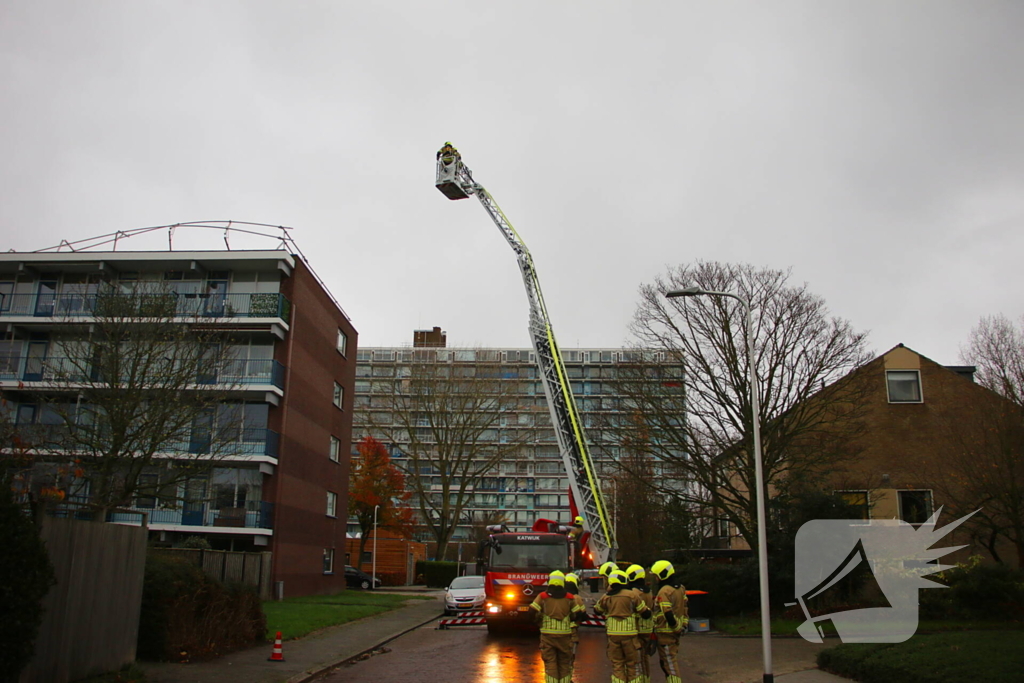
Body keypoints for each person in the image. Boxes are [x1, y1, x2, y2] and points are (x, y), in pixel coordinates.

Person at [595, 569, 650, 683]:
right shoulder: (632, 595)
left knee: (617, 664)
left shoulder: (607, 597)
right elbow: (645, 613)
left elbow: (597, 610)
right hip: (629, 634)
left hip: (613, 635)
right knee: (632, 664)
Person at [531, 570, 585, 683]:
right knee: (565, 664)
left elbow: (531, 611)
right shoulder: (570, 597)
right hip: (565, 635)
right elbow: (579, 614)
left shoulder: (543, 596)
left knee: (550, 664)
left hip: (547, 636)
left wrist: (538, 621)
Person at [650, 560, 689, 683]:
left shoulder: (664, 591)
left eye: (656, 576)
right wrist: (683, 625)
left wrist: (675, 627)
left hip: (665, 633)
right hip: (674, 632)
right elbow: (685, 608)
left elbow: (667, 612)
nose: (656, 579)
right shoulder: (681, 588)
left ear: (662, 575)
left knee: (669, 664)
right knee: (668, 662)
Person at [626, 564, 655, 683]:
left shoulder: (634, 592)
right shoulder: (649, 591)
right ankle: (646, 679)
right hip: (647, 627)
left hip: (637, 628)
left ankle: (638, 680)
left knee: (636, 658)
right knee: (645, 658)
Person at [564, 572, 586, 663]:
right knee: (571, 651)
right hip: (573, 629)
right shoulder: (577, 598)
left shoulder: (560, 596)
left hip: (561, 628)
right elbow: (583, 614)